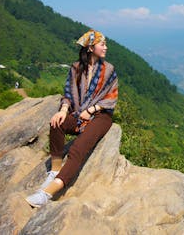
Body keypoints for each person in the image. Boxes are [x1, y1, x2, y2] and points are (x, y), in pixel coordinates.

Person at [25, 29, 118, 208]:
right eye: (102, 44)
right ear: (91, 48)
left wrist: (90, 110)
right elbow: (68, 93)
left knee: (77, 149)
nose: (106, 47)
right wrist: (63, 110)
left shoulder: (109, 70)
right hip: (78, 113)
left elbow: (111, 98)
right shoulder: (76, 68)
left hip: (101, 116)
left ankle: (47, 193)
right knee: (56, 124)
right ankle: (55, 170)